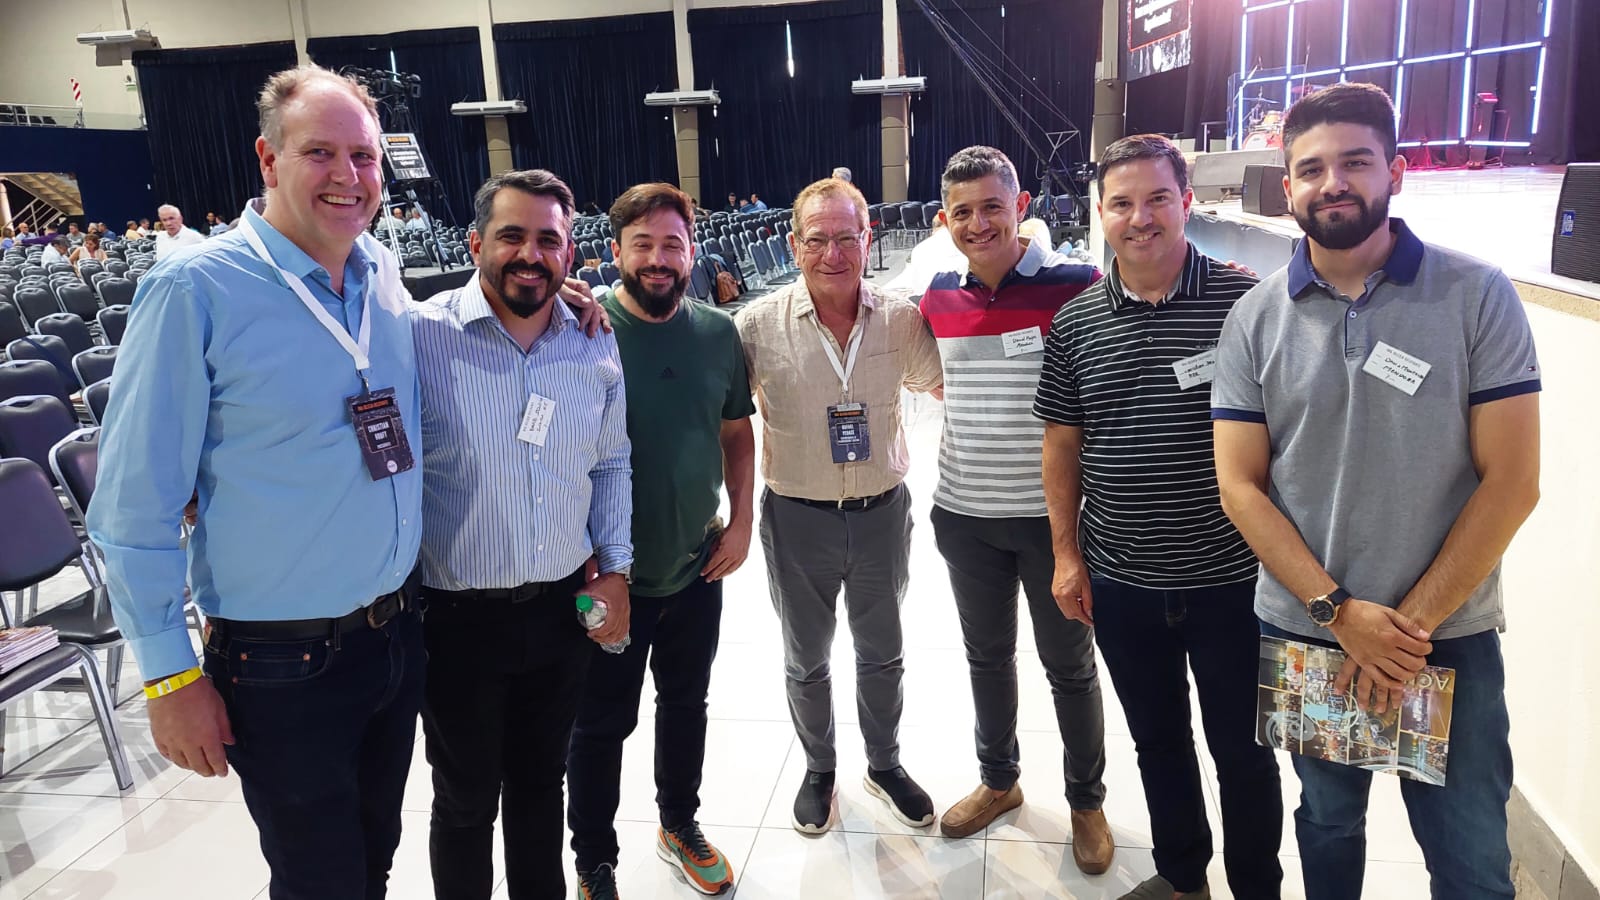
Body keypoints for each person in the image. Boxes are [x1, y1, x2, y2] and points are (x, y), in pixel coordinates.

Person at [88, 65, 426, 899]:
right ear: (269, 160)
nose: (349, 176)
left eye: (364, 156)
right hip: (283, 660)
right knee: (320, 882)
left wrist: (559, 305)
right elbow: (132, 510)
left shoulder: (381, 272)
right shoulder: (194, 290)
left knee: (373, 860)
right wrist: (170, 678)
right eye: (321, 153)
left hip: (394, 634)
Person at [1212, 82, 1541, 900]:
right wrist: (1339, 614)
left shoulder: (1476, 295)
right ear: (1287, 185)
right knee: (1327, 824)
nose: (1333, 183)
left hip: (1445, 639)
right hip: (1312, 629)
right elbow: (1240, 486)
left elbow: (1513, 483)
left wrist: (1405, 631)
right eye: (1311, 168)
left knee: (1469, 857)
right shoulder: (1254, 318)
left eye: (1355, 162)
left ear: (1395, 171)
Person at [1034, 134, 1285, 900]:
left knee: (1244, 752)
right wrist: (1066, 556)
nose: (1140, 218)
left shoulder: (1246, 302)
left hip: (1233, 583)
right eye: (1121, 203)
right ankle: (1183, 878)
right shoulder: (1075, 323)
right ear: (1100, 212)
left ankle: (1256, 888)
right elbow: (1062, 445)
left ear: (1187, 202)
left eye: (1157, 199)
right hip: (1123, 585)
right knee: (1158, 744)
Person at [411, 168, 633, 900]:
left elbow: (611, 463)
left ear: (571, 253)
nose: (530, 255)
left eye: (548, 240)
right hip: (457, 621)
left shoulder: (593, 343)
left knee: (541, 785)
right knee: (466, 800)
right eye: (512, 236)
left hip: (560, 612)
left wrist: (616, 569)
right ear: (476, 243)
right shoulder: (420, 335)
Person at [917, 146, 1114, 873]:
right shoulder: (937, 296)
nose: (978, 223)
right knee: (987, 658)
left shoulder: (1078, 285)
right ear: (944, 220)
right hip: (964, 514)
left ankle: (1086, 802)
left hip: (1054, 524)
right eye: (962, 212)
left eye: (992, 207)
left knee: (1069, 666)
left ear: (1021, 205)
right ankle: (999, 780)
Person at [736, 176, 944, 834]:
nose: (833, 253)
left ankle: (884, 764)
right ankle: (819, 768)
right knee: (807, 657)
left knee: (883, 651)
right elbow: (718, 418)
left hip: (883, 514)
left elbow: (950, 383)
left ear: (867, 238)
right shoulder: (756, 328)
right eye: (817, 239)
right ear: (793, 244)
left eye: (846, 238)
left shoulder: (901, 320)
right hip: (797, 517)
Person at [567, 182, 756, 899]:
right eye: (641, 244)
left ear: (691, 252)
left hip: (695, 566)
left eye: (671, 244)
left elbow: (736, 433)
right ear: (614, 251)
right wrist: (588, 570)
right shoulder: (579, 328)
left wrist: (741, 522)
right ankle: (593, 860)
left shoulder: (716, 333)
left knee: (685, 704)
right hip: (603, 578)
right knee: (598, 724)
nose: (657, 258)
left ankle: (679, 824)